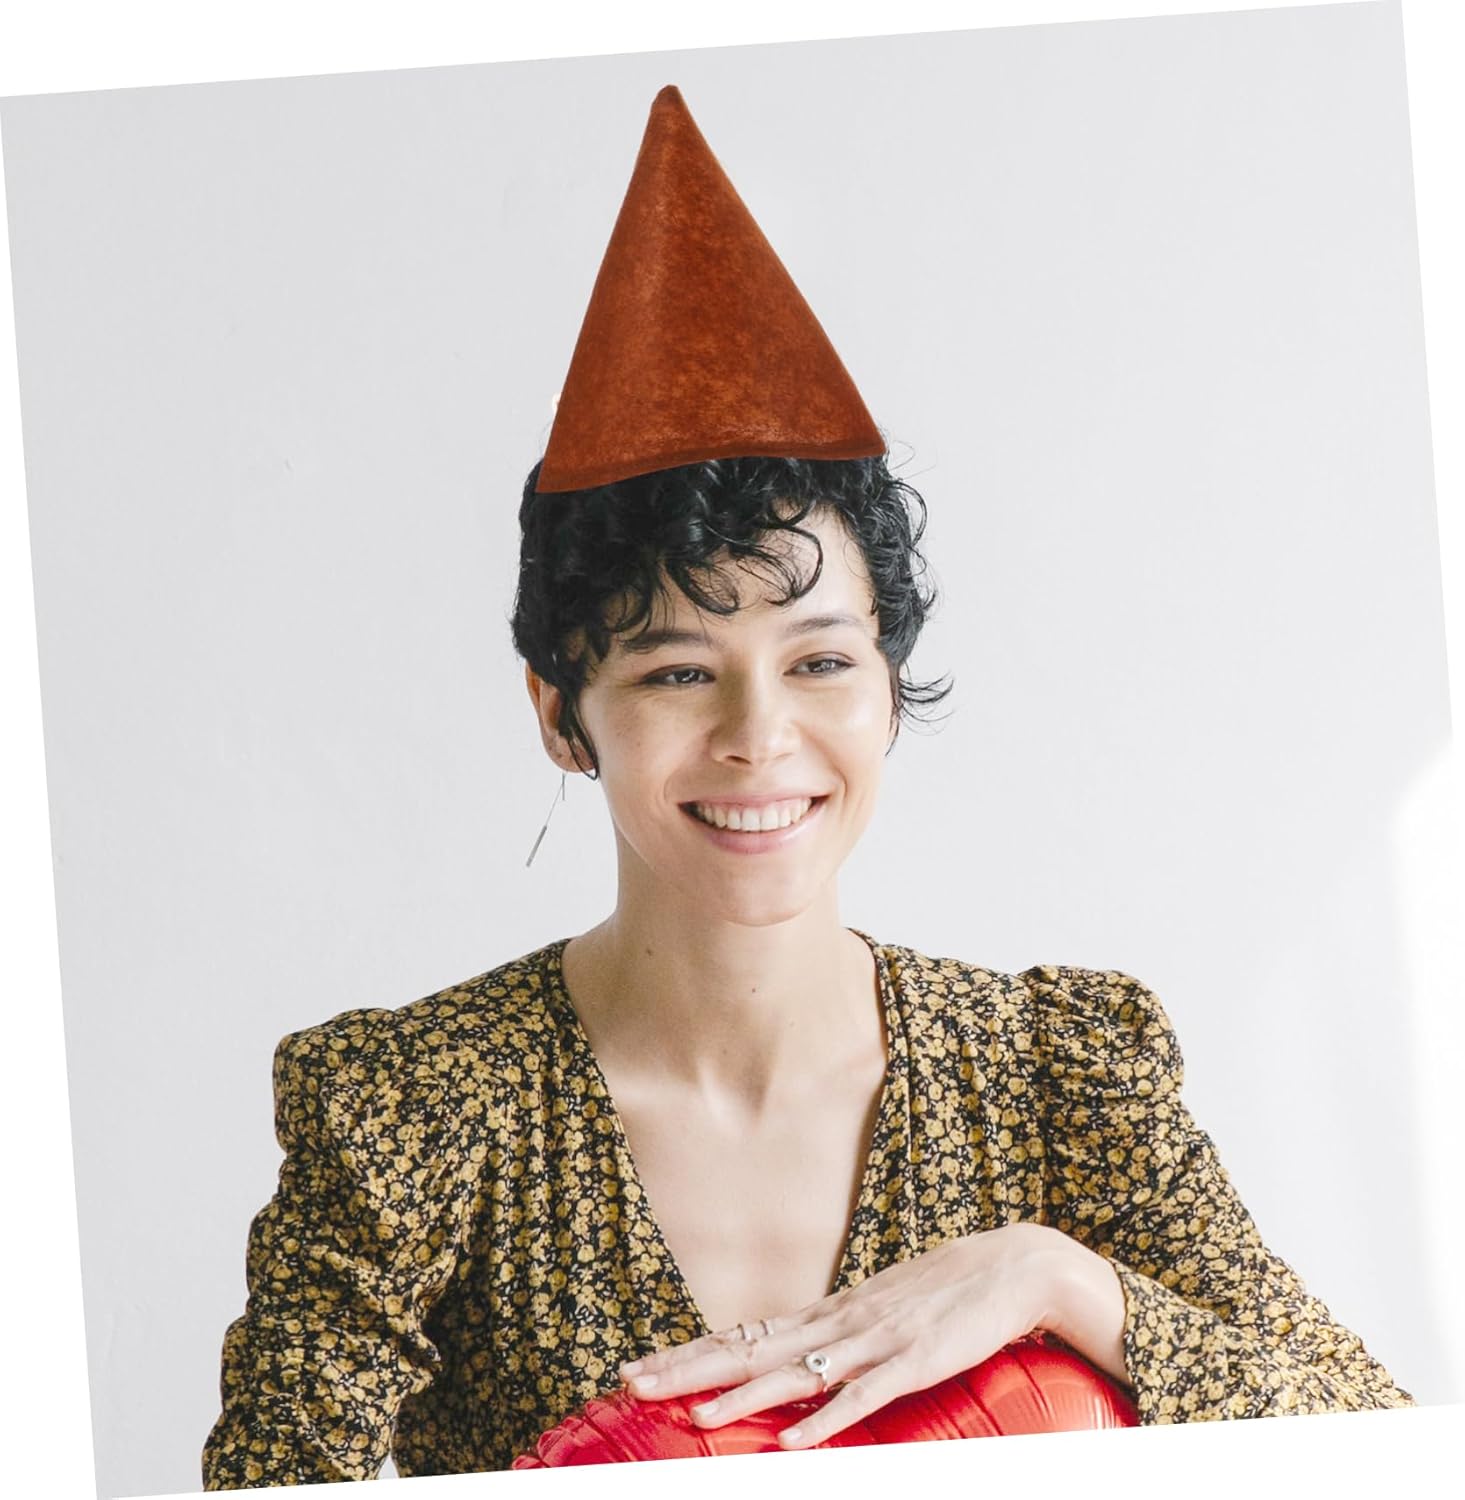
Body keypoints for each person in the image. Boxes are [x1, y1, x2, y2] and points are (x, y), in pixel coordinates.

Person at [201, 85, 1413, 1489]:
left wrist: (1053, 1276)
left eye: (821, 661)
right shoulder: (416, 1111)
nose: (758, 735)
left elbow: (1374, 1436)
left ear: (888, 691)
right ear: (561, 716)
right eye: (675, 671)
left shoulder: (1052, 1077)